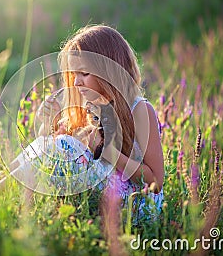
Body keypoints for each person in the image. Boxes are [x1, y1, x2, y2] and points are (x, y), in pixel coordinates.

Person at [40, 25, 164, 223]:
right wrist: (49, 123)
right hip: (106, 196)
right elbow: (49, 155)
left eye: (84, 74)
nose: (76, 82)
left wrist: (107, 152)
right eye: (74, 75)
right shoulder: (91, 108)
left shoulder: (139, 110)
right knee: (57, 145)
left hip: (138, 205)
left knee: (63, 145)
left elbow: (156, 182)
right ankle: (56, 215)